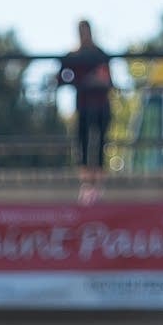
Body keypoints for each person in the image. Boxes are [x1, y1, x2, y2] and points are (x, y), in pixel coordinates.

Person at [59, 20, 114, 204]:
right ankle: (86, 183)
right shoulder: (74, 56)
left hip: (100, 105)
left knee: (100, 143)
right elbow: (60, 77)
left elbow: (109, 81)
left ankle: (98, 184)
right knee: (82, 142)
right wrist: (78, 81)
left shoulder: (99, 55)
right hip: (83, 105)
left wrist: (96, 81)